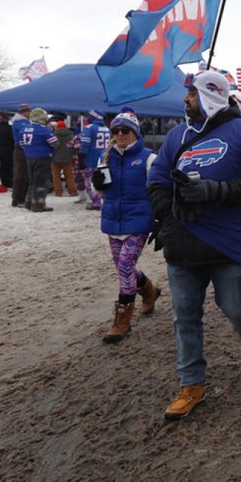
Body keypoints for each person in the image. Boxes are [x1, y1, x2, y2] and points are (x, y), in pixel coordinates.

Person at [146, 70, 241, 421]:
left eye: (191, 94)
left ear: (210, 95)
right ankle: (192, 383)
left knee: (235, 306)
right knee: (185, 314)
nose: (185, 100)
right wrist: (169, 214)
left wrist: (213, 191)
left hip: (228, 242)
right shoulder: (177, 137)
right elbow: (156, 181)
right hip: (182, 242)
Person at [90, 112, 162, 343]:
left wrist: (160, 219)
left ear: (135, 133)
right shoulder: (107, 157)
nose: (120, 134)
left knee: (124, 265)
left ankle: (122, 321)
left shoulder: (149, 158)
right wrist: (97, 184)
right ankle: (149, 291)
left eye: (125, 130)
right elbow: (100, 192)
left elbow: (158, 191)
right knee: (124, 268)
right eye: (116, 131)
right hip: (113, 220)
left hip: (138, 222)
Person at [21, 107, 58, 212]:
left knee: (32, 180)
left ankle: (28, 202)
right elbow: (55, 143)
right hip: (42, 157)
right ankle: (38, 204)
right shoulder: (43, 129)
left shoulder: (24, 128)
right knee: (41, 182)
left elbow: (21, 143)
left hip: (29, 157)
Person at [78, 110, 109, 210]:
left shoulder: (89, 128)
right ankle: (104, 200)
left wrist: (81, 158)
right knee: (103, 181)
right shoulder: (107, 129)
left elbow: (85, 145)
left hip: (91, 159)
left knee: (89, 181)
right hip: (104, 159)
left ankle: (96, 202)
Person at [10, 103, 32, 207]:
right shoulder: (20, 122)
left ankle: (18, 198)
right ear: (25, 112)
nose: (30, 113)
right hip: (21, 150)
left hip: (22, 149)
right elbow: (25, 134)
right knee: (21, 175)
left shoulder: (20, 121)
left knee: (22, 174)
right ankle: (19, 199)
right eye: (29, 111)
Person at [51, 120, 78, 198]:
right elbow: (73, 146)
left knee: (56, 176)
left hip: (55, 158)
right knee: (69, 176)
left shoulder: (53, 135)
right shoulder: (71, 135)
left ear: (57, 127)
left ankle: (58, 192)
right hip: (67, 158)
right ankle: (72, 192)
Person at [0, 112, 15, 187]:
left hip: (0, 150)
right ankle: (10, 182)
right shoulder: (10, 129)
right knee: (10, 167)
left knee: (3, 167)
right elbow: (13, 140)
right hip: (10, 149)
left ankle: (4, 183)